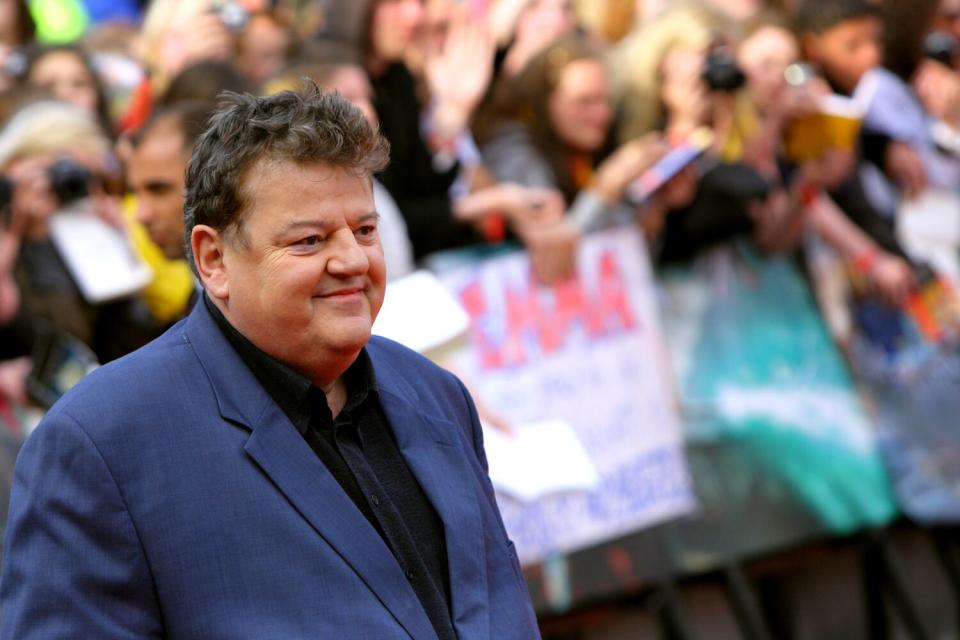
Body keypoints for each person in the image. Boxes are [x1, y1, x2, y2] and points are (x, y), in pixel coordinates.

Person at [0, 84, 540, 639]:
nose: (353, 260)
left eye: (365, 230)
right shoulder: (100, 443)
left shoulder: (436, 395)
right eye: (309, 241)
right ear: (214, 260)